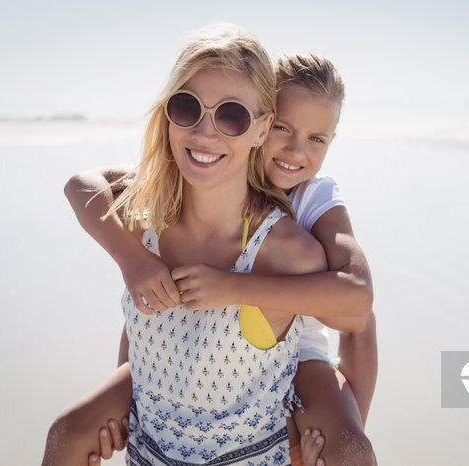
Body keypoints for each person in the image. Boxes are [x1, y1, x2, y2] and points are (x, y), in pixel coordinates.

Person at [48, 47, 377, 466]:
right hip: (199, 354)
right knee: (67, 431)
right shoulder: (206, 172)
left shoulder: (315, 197)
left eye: (316, 139)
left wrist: (232, 287)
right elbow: (84, 185)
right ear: (264, 123)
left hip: (302, 346)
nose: (296, 151)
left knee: (349, 449)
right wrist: (132, 260)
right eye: (285, 129)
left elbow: (359, 304)